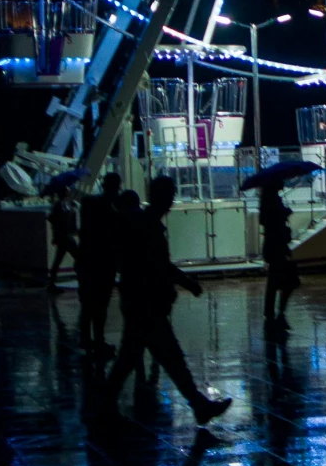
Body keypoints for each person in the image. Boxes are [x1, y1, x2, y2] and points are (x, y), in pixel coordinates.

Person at [100, 175, 231, 424]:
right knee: (169, 358)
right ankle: (198, 405)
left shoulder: (143, 223)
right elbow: (159, 265)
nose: (172, 200)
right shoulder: (149, 226)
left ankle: (104, 404)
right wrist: (186, 283)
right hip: (147, 305)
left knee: (135, 357)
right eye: (170, 194)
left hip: (139, 302)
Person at [76, 171, 123, 357]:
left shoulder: (88, 204)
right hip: (103, 261)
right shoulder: (112, 208)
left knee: (88, 303)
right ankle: (97, 339)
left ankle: (87, 338)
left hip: (86, 259)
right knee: (101, 303)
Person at [259, 181, 301, 329]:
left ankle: (271, 313)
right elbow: (271, 220)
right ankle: (278, 313)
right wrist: (284, 212)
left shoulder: (267, 199)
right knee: (287, 281)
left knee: (275, 281)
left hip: (273, 246)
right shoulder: (272, 200)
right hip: (277, 245)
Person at [47, 182, 80, 291]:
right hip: (64, 236)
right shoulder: (60, 205)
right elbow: (53, 218)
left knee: (58, 259)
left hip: (64, 236)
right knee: (78, 256)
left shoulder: (65, 204)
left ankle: (52, 282)